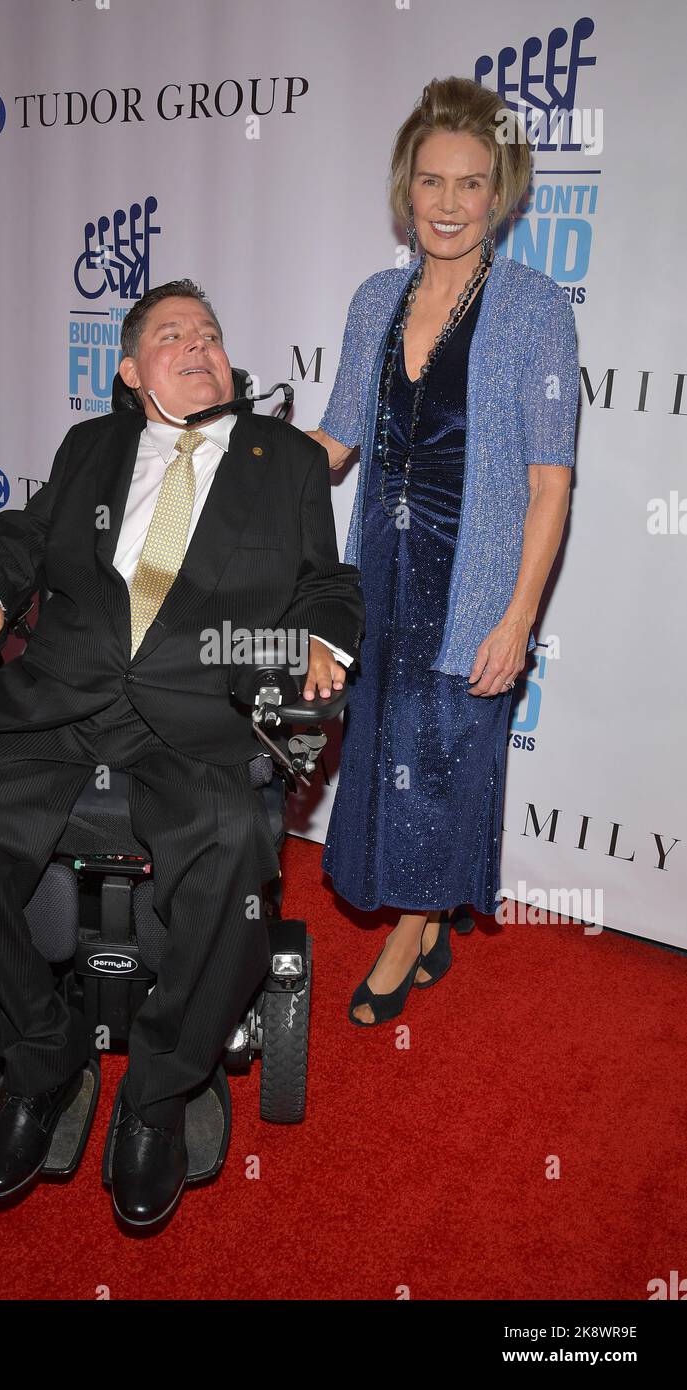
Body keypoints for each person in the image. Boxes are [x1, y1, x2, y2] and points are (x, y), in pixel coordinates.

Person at [0, 279, 364, 1225]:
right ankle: (40, 1064)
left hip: (200, 710)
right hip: (64, 706)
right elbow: (22, 541)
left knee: (233, 845)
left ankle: (161, 1093)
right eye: (172, 335)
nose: (198, 345)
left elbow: (326, 582)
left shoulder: (281, 458)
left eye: (209, 332)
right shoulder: (90, 446)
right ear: (131, 371)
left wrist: (323, 638)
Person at [308, 77, 580, 1025]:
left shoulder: (535, 308)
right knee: (385, 742)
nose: (450, 204)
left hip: (473, 581)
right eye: (432, 182)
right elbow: (335, 440)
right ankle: (427, 916)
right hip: (379, 564)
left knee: (449, 754)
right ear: (405, 189)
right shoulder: (375, 296)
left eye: (471, 184)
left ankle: (412, 928)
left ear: (500, 194)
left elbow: (551, 481)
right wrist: (232, 454)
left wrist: (518, 618)